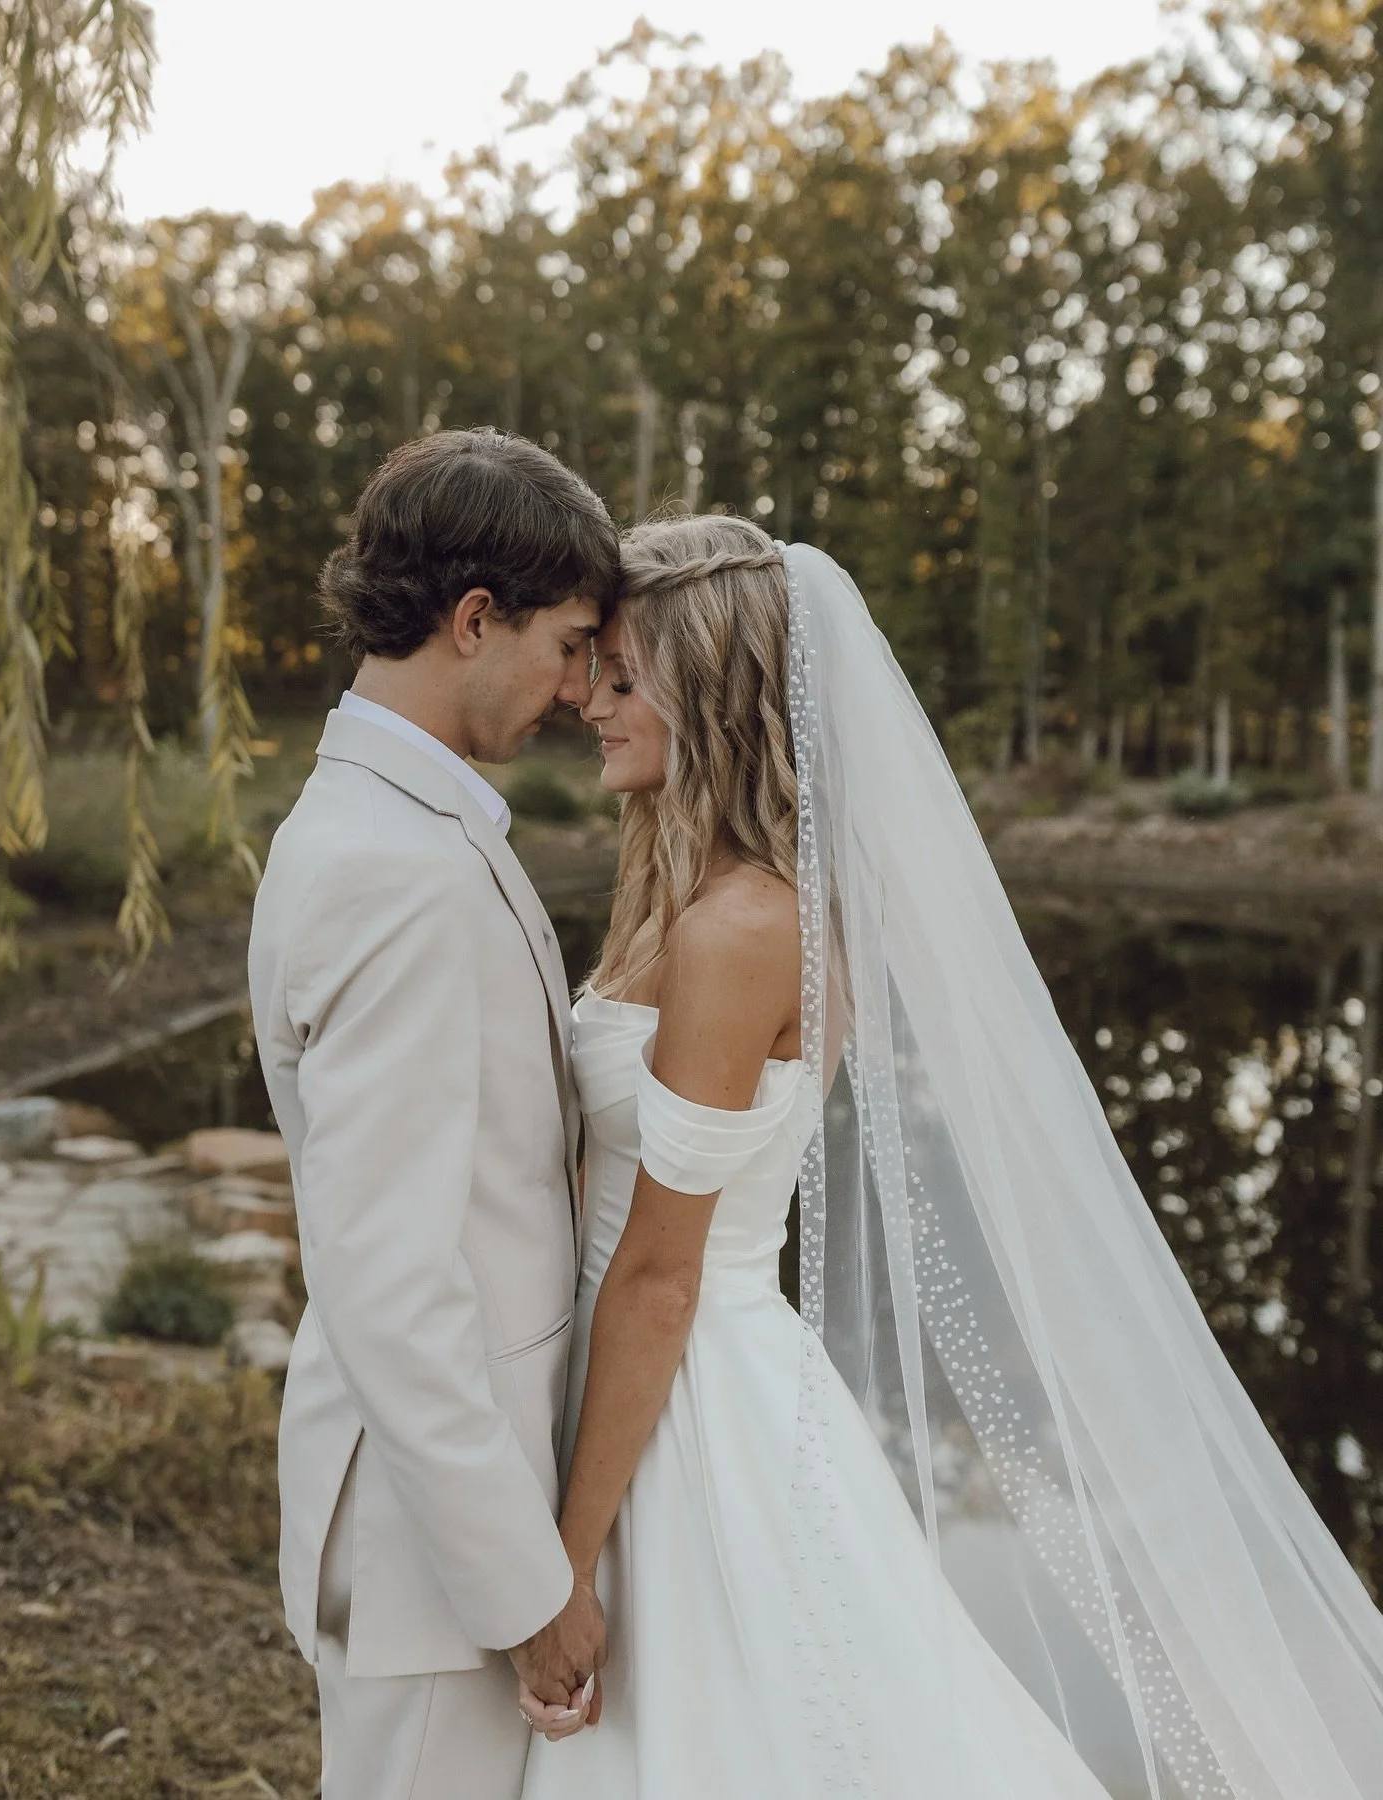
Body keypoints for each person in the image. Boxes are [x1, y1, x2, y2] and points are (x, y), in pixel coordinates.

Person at [519, 513, 1383, 1799]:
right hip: (634, 1377)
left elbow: (659, 1274)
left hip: (687, 1406)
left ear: (711, 693)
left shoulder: (745, 925)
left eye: (625, 673)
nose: (590, 697)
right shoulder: (693, 894)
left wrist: (563, 1569)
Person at [248, 428, 619, 1800]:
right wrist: (525, 1587)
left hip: (438, 1516)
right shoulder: (396, 873)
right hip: (432, 1553)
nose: (582, 689)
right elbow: (391, 1284)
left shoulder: (395, 826)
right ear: (476, 622)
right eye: (572, 643)